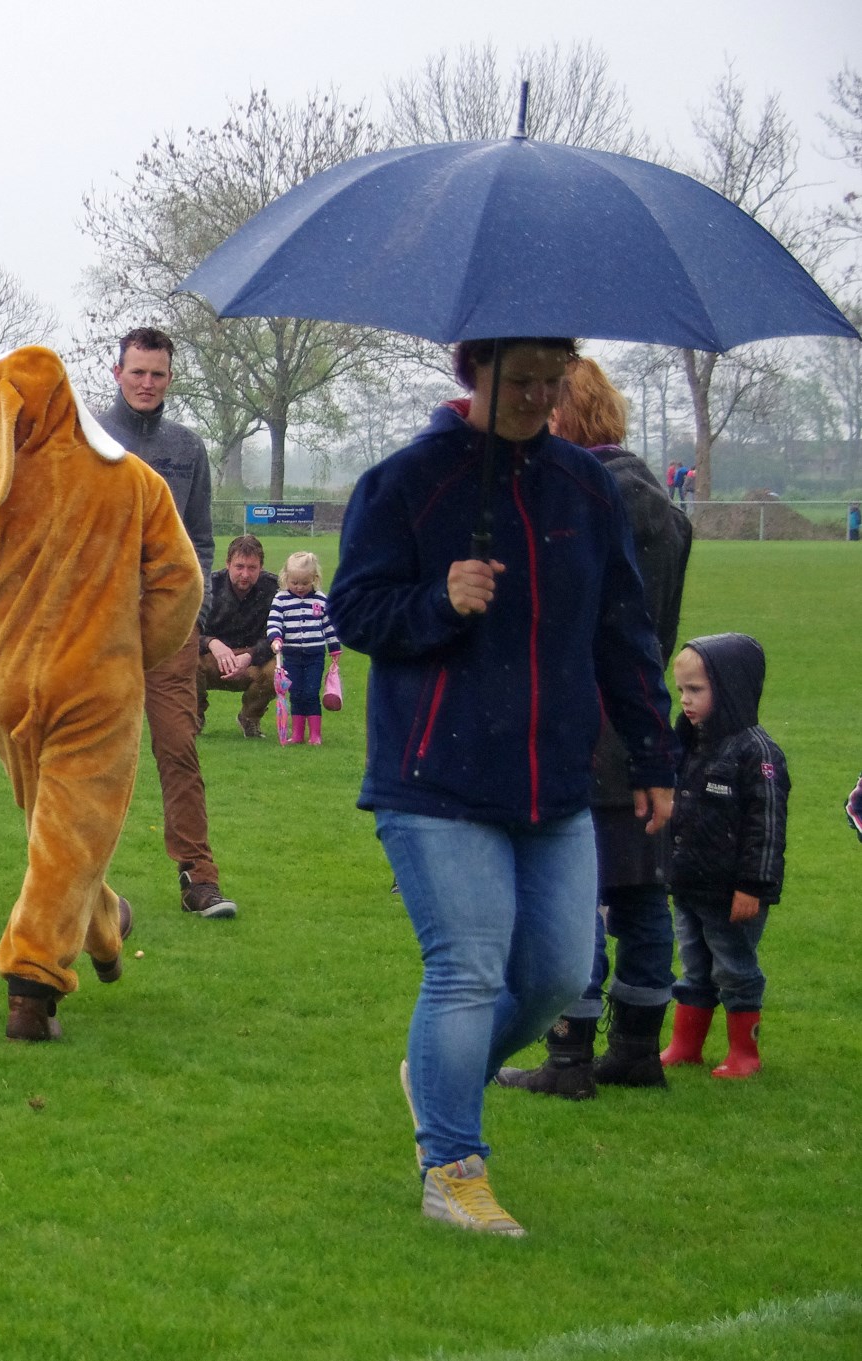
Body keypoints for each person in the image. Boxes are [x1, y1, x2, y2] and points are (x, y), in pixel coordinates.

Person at [332, 336, 677, 1236]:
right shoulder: (406, 481)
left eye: (550, 382)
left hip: (554, 780)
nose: (536, 397)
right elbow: (354, 611)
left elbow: (624, 629)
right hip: (434, 775)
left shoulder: (584, 486)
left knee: (560, 971)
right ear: (471, 372)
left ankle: (439, 1071)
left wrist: (652, 753)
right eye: (518, 380)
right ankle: (452, 1168)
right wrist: (439, 600)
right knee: (468, 969)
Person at [0, 347, 200, 1042]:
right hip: (95, 688)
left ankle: (106, 926)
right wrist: (129, 650)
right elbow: (182, 582)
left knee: (56, 832)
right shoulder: (134, 481)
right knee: (68, 831)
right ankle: (31, 982)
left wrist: (11, 630)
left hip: (5, 688)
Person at [498, 358, 693, 1099]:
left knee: (571, 895)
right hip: (644, 720)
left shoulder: (580, 498)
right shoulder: (665, 510)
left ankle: (570, 1054)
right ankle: (639, 1046)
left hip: (583, 719)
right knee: (643, 893)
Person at [94, 328, 235, 919]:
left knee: (178, 749)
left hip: (170, 628)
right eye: (138, 372)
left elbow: (200, 541)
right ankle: (77, 882)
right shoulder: (89, 439)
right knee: (91, 758)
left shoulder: (187, 448)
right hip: (98, 629)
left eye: (158, 374)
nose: (147, 383)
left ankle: (198, 877)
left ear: (170, 378)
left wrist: (194, 613)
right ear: (118, 372)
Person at [657, 634, 789, 1080]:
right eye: (681, 690)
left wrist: (752, 887)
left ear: (729, 688)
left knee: (734, 969)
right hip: (689, 885)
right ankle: (686, 1045)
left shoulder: (758, 754)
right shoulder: (689, 743)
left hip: (733, 893)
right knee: (693, 965)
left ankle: (744, 1054)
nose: (685, 701)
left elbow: (766, 830)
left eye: (696, 690)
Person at [196, 534, 279, 739]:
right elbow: (184, 632)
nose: (245, 574)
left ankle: (250, 717)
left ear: (261, 567)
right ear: (227, 564)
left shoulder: (274, 590)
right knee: (183, 660)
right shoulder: (208, 587)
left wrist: (250, 655)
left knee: (281, 669)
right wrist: (211, 642)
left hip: (252, 664)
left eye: (252, 568)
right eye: (239, 566)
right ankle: (194, 716)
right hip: (212, 661)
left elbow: (279, 636)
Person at [265, 550, 343, 747]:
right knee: (296, 693)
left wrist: (334, 648)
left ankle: (315, 734)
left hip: (315, 654)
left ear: (314, 579)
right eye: (294, 582)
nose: (299, 587)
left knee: (311, 692)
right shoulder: (281, 600)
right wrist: (275, 638)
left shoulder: (320, 600)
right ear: (286, 578)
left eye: (304, 583)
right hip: (291, 655)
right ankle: (298, 733)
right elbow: (274, 622)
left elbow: (329, 625)